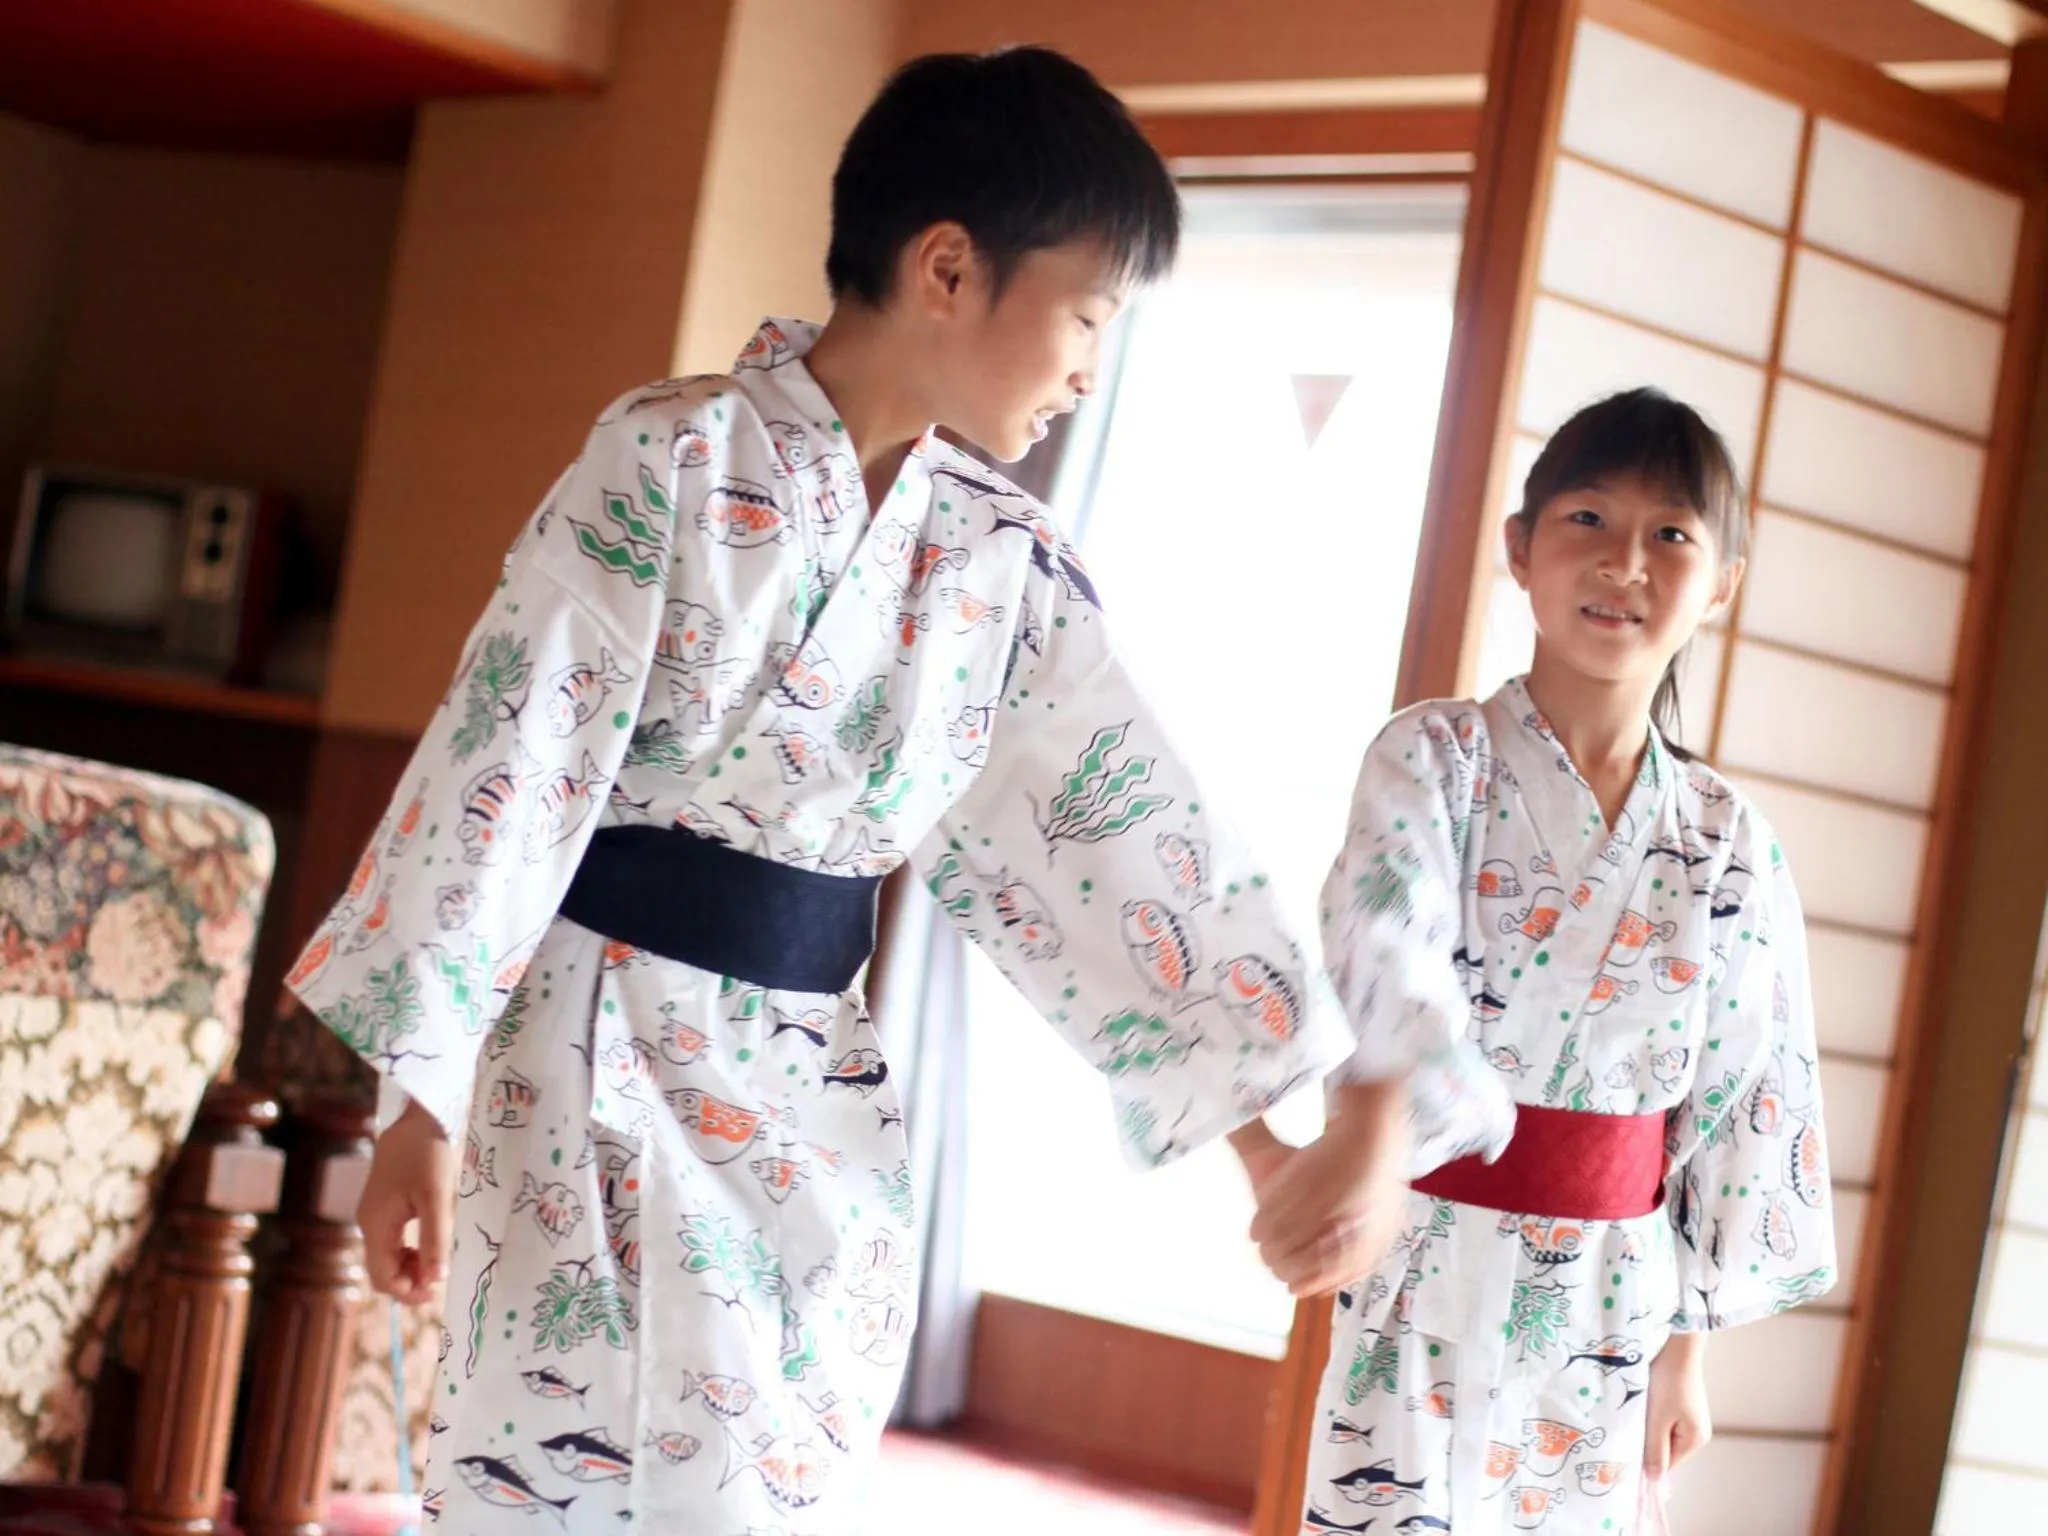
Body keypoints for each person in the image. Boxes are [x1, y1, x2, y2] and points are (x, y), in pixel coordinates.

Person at [285, 45, 1364, 1530]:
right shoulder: (666, 457)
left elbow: (1108, 834)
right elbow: (510, 756)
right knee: (556, 1475)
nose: (1087, 372)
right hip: (589, 1057)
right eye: (1089, 316)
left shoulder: (1007, 565)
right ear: (946, 268)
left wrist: (1263, 1143)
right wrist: (412, 1105)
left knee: (771, 1482)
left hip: (810, 1093)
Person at [1272, 389, 1837, 1534]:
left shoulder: (1728, 841)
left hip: (1611, 1300)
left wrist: (1687, 1349)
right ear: (1520, 551)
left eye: (1670, 534)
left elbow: (1743, 1094)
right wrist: (1375, 1136)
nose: (1623, 562)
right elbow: (1385, 946)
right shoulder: (1429, 758)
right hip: (1422, 1251)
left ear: (1720, 582)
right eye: (1586, 519)